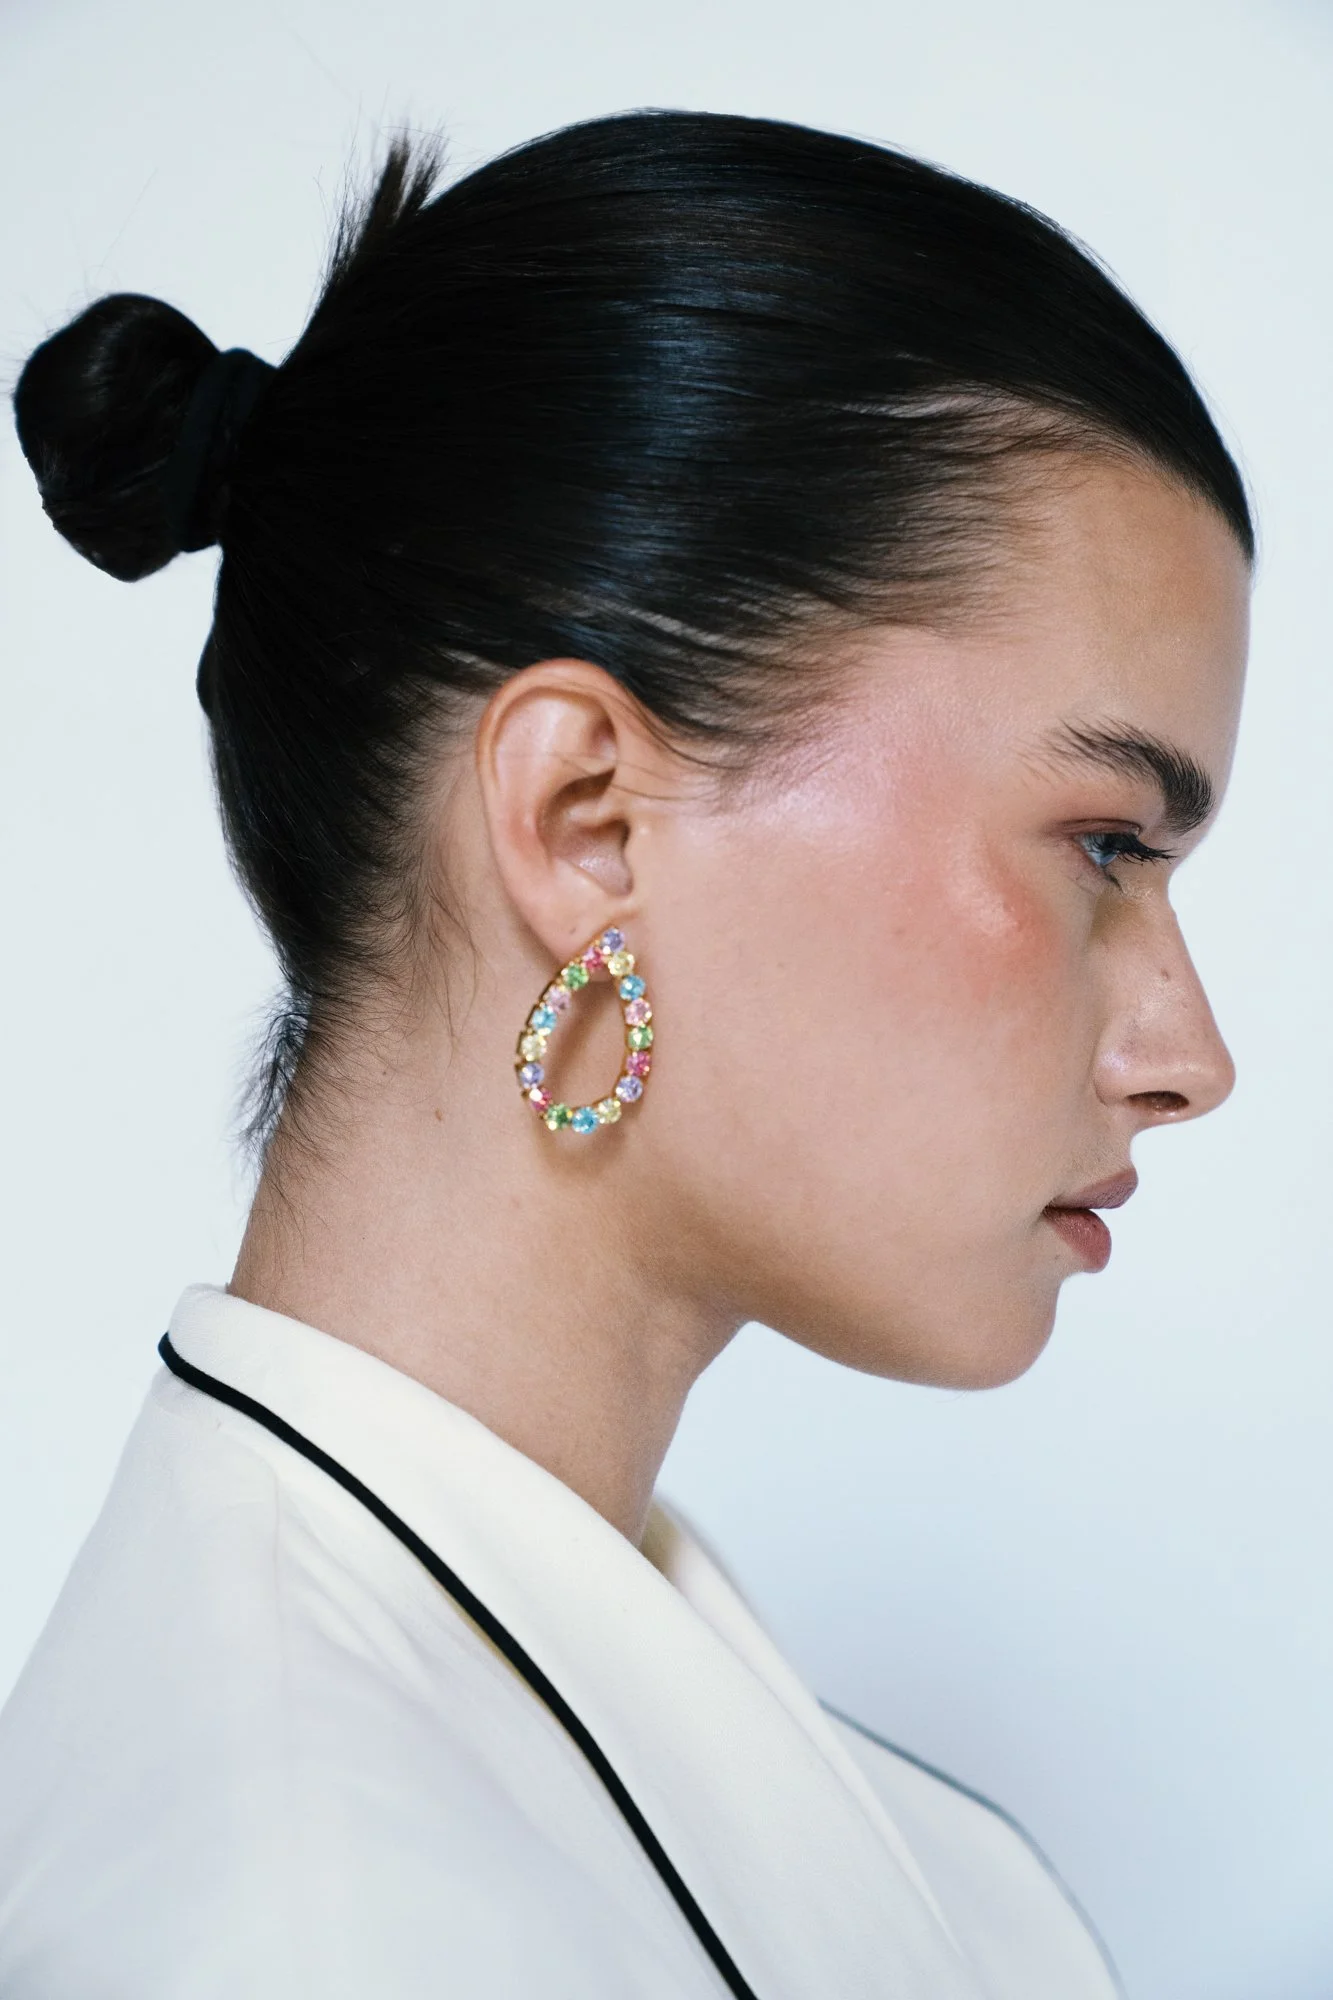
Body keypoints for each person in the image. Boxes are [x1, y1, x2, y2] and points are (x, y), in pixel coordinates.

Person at [0, 109, 1249, 1998]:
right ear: (587, 819)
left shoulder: (597, 1736)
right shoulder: (299, 1921)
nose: (1190, 1055)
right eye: (1104, 846)